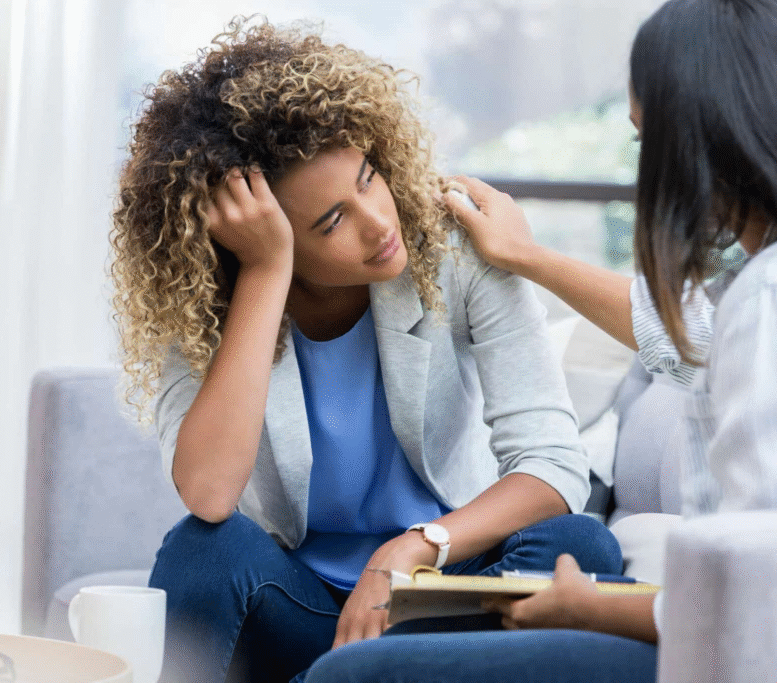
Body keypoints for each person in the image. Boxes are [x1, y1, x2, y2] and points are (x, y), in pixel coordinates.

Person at [301, 0, 777, 681]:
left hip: (741, 659)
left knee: (350, 675)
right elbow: (686, 334)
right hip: (717, 635)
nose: (649, 172)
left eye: (648, 143)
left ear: (708, 139)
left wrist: (591, 608)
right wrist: (527, 256)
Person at [109, 17, 622, 683]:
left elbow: (552, 465)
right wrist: (265, 274)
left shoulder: (456, 251)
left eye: (369, 177)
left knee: (581, 546)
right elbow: (208, 495)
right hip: (303, 605)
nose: (380, 223)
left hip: (441, 593)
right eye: (332, 221)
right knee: (202, 550)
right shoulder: (207, 301)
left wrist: (412, 548)